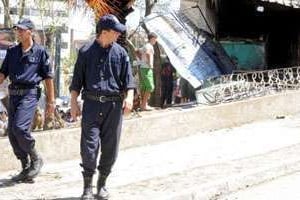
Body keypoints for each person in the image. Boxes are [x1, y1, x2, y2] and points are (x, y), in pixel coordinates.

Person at [69, 14, 135, 200]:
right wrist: (74, 104)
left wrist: (129, 97)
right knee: (89, 147)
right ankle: (87, 187)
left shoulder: (121, 53)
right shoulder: (85, 52)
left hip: (113, 107)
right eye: (115, 32)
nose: (118, 35)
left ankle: (102, 184)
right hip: (91, 104)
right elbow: (76, 83)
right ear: (104, 32)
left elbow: (128, 81)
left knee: (110, 148)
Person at [0, 18, 55, 182]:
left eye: (22, 30)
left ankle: (36, 158)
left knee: (20, 128)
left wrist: (51, 102)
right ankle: (25, 166)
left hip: (30, 93)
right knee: (11, 132)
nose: (18, 32)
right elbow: (3, 74)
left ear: (30, 31)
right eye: (17, 30)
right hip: (14, 94)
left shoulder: (40, 52)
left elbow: (48, 78)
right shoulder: (12, 52)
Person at [139, 32, 157, 111]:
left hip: (143, 68)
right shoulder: (149, 46)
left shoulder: (145, 46)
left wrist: (141, 60)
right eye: (155, 39)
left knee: (145, 87)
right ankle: (144, 105)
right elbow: (148, 54)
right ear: (152, 39)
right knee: (150, 87)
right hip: (147, 69)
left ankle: (143, 104)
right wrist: (150, 64)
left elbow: (137, 51)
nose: (155, 41)